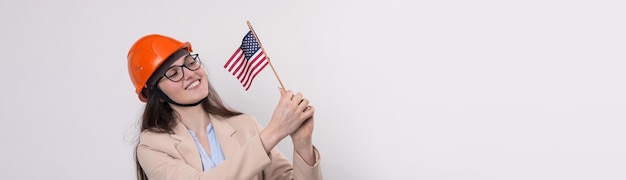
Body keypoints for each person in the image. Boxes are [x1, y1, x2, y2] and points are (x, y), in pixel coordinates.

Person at [127, 34, 322, 180]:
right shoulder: (151, 146)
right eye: (174, 73)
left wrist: (302, 143)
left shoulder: (246, 125)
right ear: (157, 95)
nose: (190, 74)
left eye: (190, 62)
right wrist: (275, 132)